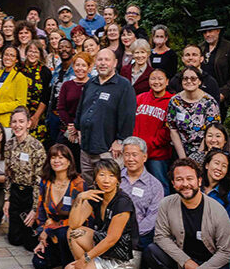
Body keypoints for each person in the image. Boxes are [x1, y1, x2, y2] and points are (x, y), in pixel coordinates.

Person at [148, 159, 230, 269]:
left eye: (189, 179)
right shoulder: (166, 204)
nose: (185, 184)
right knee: (152, 251)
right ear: (173, 183)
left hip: (211, 261)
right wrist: (187, 262)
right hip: (184, 258)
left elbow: (226, 251)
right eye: (179, 179)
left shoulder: (217, 210)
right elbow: (160, 236)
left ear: (199, 181)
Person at [64, 159, 141, 269]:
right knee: (73, 233)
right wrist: (80, 198)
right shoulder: (97, 196)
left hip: (125, 257)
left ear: (118, 180)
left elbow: (112, 238)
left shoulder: (122, 202)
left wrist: (85, 259)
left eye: (111, 176)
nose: (106, 180)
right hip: (107, 249)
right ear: (95, 179)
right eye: (102, 175)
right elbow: (74, 224)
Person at [75, 49, 137, 178]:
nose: (103, 63)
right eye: (100, 59)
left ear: (114, 63)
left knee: (107, 186)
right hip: (86, 148)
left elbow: (128, 116)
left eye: (107, 60)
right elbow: (81, 108)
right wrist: (79, 128)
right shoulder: (90, 83)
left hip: (108, 150)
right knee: (89, 186)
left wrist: (120, 141)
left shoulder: (124, 85)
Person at [31, 145, 84, 269]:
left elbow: (81, 218)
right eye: (53, 157)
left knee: (62, 234)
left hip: (72, 229)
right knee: (39, 263)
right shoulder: (46, 182)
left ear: (69, 161)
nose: (56, 161)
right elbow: (41, 211)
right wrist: (42, 233)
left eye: (61, 157)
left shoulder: (77, 184)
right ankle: (58, 256)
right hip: (51, 228)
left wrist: (48, 230)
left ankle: (69, 261)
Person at [4, 107, 47, 251]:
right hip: (16, 192)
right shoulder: (9, 145)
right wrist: (7, 199)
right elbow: (8, 175)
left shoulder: (37, 147)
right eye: (14, 122)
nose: (17, 125)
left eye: (21, 121)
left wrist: (35, 209)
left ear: (28, 123)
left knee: (30, 244)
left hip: (31, 194)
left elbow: (39, 181)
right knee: (14, 240)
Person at [118, 136, 164, 251]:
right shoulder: (115, 178)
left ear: (144, 157)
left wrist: (131, 233)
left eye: (134, 155)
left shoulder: (155, 185)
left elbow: (152, 217)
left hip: (139, 235)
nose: (130, 159)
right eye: (127, 155)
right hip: (113, 231)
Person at [167, 67, 222, 158]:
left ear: (199, 81)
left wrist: (197, 157)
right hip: (180, 151)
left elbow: (212, 131)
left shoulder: (209, 102)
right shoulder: (175, 101)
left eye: (193, 78)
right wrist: (183, 158)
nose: (189, 81)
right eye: (185, 78)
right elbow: (173, 129)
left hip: (204, 151)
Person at [133, 69, 173, 188]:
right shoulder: (140, 98)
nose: (156, 82)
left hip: (158, 155)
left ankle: (162, 207)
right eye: (153, 79)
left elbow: (168, 130)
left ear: (167, 82)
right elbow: (131, 121)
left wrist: (149, 145)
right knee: (138, 185)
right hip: (137, 152)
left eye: (160, 79)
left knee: (160, 185)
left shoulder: (172, 101)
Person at [199, 18, 230, 116]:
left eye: (210, 31)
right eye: (205, 32)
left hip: (219, 94)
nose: (207, 34)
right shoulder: (200, 48)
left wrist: (224, 93)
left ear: (218, 31)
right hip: (200, 93)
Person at [56, 52, 92, 157]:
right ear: (73, 67)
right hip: (68, 130)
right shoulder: (67, 85)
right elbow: (61, 108)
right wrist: (71, 126)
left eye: (83, 65)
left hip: (86, 132)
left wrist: (79, 127)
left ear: (89, 68)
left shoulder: (94, 85)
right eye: (77, 65)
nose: (80, 68)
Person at [19, 43, 52, 141]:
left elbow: (46, 96)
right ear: (26, 53)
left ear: (40, 55)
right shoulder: (19, 69)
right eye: (30, 51)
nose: (32, 54)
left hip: (37, 115)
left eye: (36, 52)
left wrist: (36, 116)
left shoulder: (45, 71)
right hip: (20, 113)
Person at [203, 148, 230, 219]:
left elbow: (228, 221)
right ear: (207, 165)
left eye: (224, 166)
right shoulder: (196, 185)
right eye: (216, 163)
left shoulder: (229, 194)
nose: (219, 168)